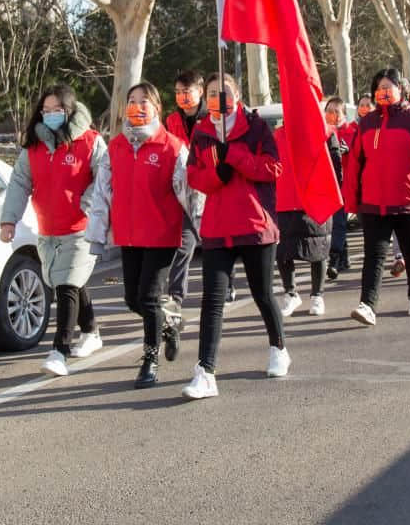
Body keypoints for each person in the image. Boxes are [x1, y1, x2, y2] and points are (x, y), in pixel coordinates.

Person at [86, 83, 198, 388]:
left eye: (144, 101)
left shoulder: (173, 147)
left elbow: (191, 196)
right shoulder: (116, 147)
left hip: (163, 234)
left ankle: (150, 360)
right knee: (132, 300)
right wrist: (97, 236)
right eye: (131, 101)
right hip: (128, 235)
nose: (137, 106)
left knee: (148, 298)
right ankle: (171, 320)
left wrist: (204, 232)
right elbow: (102, 195)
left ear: (157, 108)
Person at [182, 73, 287, 399]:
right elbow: (195, 176)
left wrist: (236, 158)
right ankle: (205, 372)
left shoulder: (256, 127)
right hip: (217, 227)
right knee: (212, 301)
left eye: (223, 92)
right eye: (211, 93)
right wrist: (218, 173)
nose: (218, 97)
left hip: (255, 223)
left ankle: (278, 348)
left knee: (263, 294)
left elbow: (272, 168)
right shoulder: (201, 131)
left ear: (237, 94)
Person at [0, 85, 104, 379]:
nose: (50, 116)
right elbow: (19, 183)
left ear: (69, 111)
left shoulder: (90, 142)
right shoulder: (33, 148)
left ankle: (60, 351)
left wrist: (87, 204)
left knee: (68, 284)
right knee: (68, 280)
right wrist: (9, 220)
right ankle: (92, 331)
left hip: (81, 228)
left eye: (56, 110)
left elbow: (106, 179)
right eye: (45, 111)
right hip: (48, 229)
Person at [343, 68, 410, 326]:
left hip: (408, 200)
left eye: (388, 87)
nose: (383, 92)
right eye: (379, 88)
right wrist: (351, 200)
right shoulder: (367, 122)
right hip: (373, 202)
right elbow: (354, 164)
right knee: (374, 255)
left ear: (401, 89)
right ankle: (367, 305)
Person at [163, 70, 208, 335]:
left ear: (199, 91)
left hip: (209, 190)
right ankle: (176, 299)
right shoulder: (170, 120)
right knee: (184, 246)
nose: (181, 97)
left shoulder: (213, 118)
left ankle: (227, 283)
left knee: (216, 244)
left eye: (186, 91)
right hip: (183, 192)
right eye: (178, 92)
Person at [275, 118, 334, 319]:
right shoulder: (277, 135)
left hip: (313, 198)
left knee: (318, 248)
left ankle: (317, 295)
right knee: (283, 252)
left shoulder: (319, 130)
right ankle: (290, 293)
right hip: (283, 199)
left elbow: (333, 159)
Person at [324, 97, 353, 280]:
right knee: (337, 223)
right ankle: (344, 257)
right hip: (328, 184)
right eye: (329, 110)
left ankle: (334, 259)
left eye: (337, 111)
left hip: (345, 184)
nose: (332, 115)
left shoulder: (351, 131)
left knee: (339, 223)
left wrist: (347, 150)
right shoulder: (323, 132)